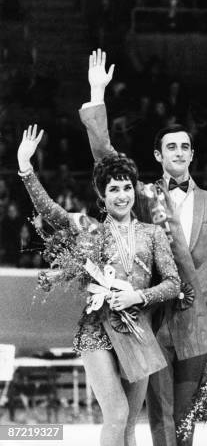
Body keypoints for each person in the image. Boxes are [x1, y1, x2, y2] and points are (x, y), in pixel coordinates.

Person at [79, 49, 207, 446]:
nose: (179, 152)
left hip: (196, 322)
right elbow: (105, 158)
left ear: (192, 154)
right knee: (158, 417)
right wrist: (97, 94)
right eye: (171, 147)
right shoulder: (141, 195)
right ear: (158, 156)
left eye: (185, 147)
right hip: (151, 318)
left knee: (186, 419)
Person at [17, 124, 180, 446]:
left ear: (134, 190)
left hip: (137, 331)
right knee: (117, 415)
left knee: (130, 424)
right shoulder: (90, 229)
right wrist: (26, 168)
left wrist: (139, 295)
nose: (122, 195)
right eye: (114, 190)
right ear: (102, 197)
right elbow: (51, 212)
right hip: (96, 330)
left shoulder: (153, 233)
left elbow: (174, 284)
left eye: (126, 187)